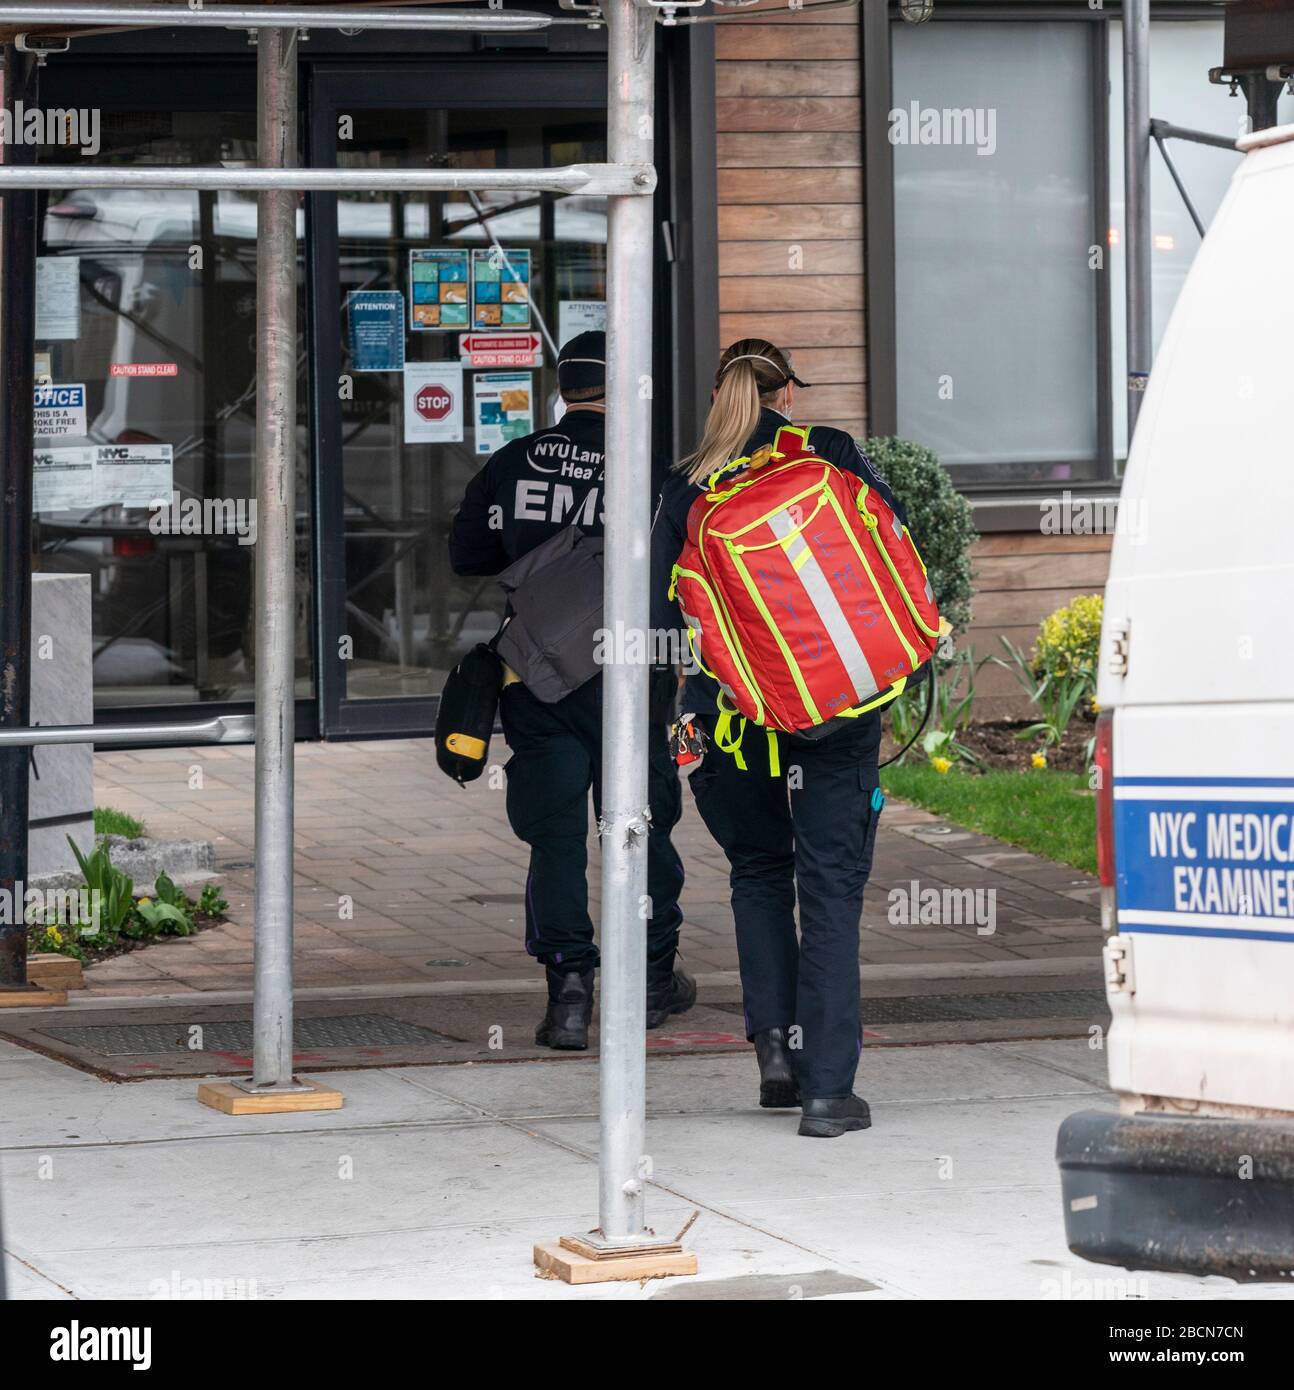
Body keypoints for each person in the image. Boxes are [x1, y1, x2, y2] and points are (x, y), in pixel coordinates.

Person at [651, 337, 913, 1138]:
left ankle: (776, 1056)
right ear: (786, 395)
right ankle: (830, 1092)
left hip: (728, 722)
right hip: (837, 715)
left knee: (759, 873)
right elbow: (895, 553)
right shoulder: (829, 455)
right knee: (829, 889)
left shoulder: (683, 488)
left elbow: (659, 618)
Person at [449, 331, 694, 1051]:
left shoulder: (510, 462)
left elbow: (468, 556)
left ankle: (571, 995)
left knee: (554, 836)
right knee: (642, 824)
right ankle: (651, 981)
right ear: (623, 393)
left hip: (540, 676)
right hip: (634, 673)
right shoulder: (656, 476)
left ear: (562, 389)